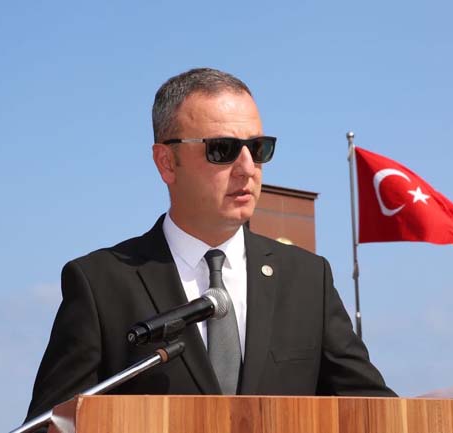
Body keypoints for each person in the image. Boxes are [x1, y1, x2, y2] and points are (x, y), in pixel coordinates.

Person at [25, 68, 395, 422]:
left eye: (258, 148)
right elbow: (50, 424)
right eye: (223, 149)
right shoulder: (101, 284)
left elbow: (377, 413)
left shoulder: (308, 280)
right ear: (167, 162)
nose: (247, 167)